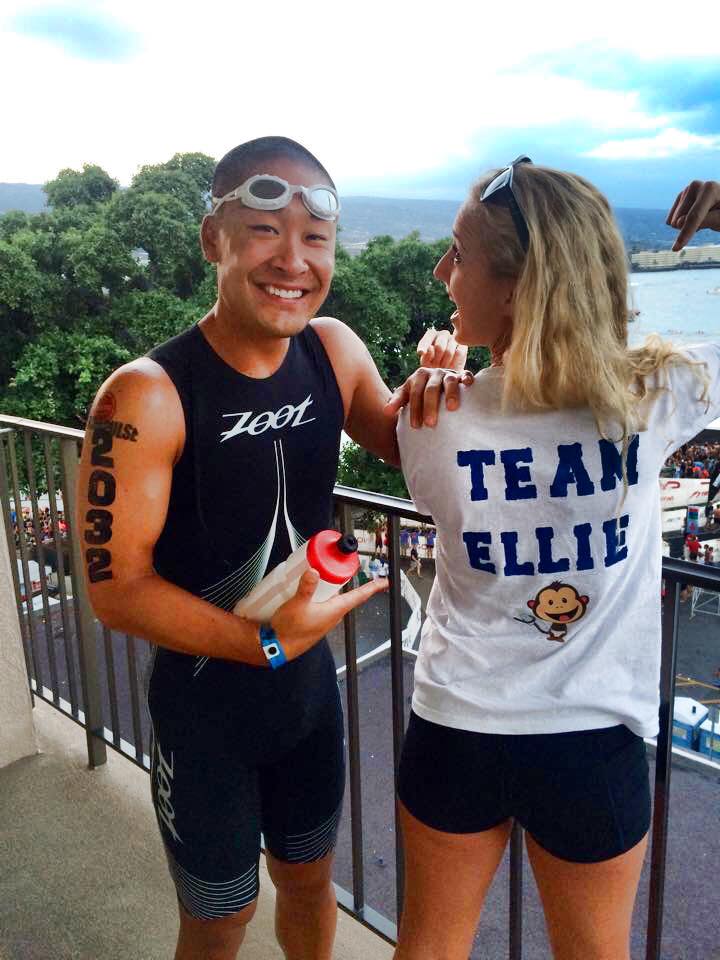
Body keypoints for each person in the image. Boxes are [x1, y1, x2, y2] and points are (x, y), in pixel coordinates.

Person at [76, 136, 466, 960]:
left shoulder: (333, 350)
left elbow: (414, 451)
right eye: (264, 230)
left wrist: (444, 386)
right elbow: (117, 590)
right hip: (204, 717)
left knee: (311, 883)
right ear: (212, 240)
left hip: (308, 703)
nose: (293, 260)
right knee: (219, 922)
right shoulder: (145, 394)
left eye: (315, 238)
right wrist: (262, 643)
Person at [392, 161, 720, 960]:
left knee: (429, 947)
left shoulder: (434, 417)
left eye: (459, 254)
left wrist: (436, 382)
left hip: (457, 724)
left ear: (517, 289)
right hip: (592, 740)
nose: (440, 272)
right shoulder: (656, 393)